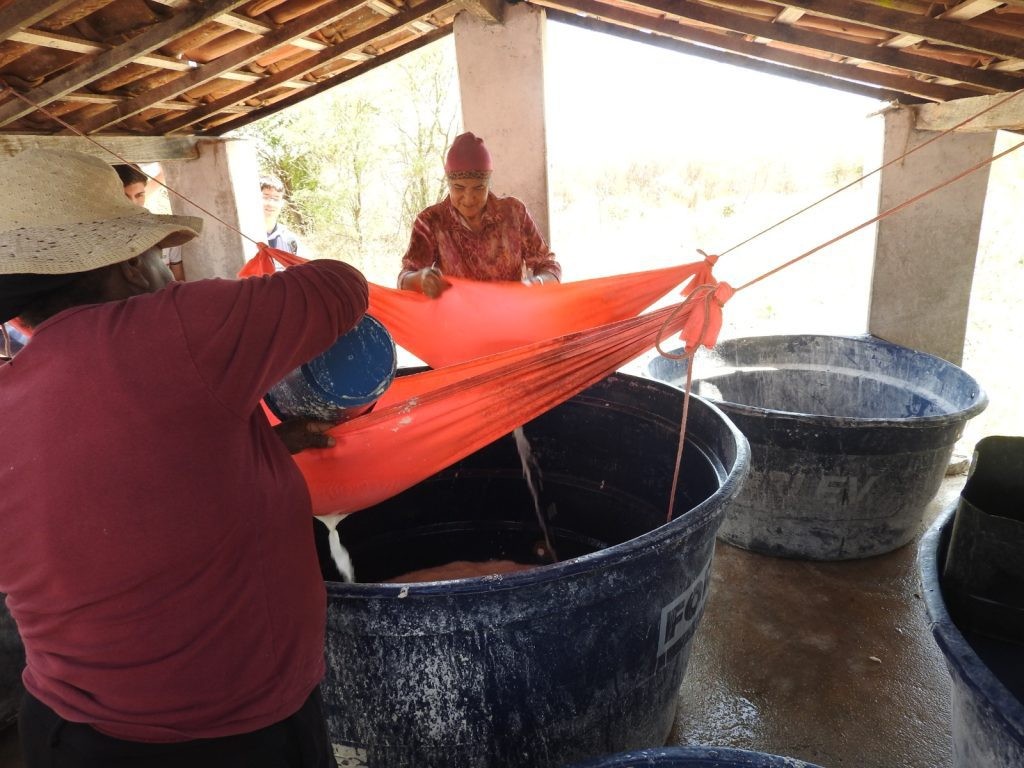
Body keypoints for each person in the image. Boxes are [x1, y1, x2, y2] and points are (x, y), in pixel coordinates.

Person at [0, 148, 370, 768]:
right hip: (231, 736)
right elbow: (340, 286)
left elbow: (113, 506)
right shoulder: (176, 331)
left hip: (66, 735)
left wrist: (257, 446)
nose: (166, 266)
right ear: (128, 265)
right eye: (156, 253)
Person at [398, 132, 561, 299]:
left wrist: (535, 284)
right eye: (458, 188)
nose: (469, 199)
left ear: (488, 184)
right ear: (448, 183)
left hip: (511, 315)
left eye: (478, 188)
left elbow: (549, 267)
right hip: (459, 320)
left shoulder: (513, 214)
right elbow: (405, 278)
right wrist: (421, 279)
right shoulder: (431, 222)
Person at [114, 163, 187, 281]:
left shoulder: (167, 233)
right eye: (125, 196)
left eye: (139, 195)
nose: (133, 203)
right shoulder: (98, 241)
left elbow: (178, 280)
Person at [262, 175, 305, 256]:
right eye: (265, 197)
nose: (270, 204)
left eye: (276, 199)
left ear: (282, 203)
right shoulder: (240, 237)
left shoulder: (291, 241)